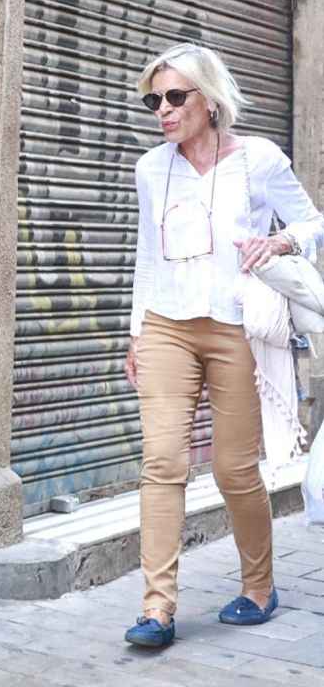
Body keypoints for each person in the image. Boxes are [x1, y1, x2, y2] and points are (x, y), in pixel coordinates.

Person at [121, 43, 322, 649]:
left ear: (209, 100)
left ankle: (259, 587)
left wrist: (282, 243)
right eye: (154, 99)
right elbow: (146, 257)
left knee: (235, 470)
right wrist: (135, 333)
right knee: (162, 464)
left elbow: (314, 222)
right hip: (166, 327)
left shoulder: (259, 160)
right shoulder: (151, 168)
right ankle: (157, 608)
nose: (163, 109)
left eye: (175, 97)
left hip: (238, 329)